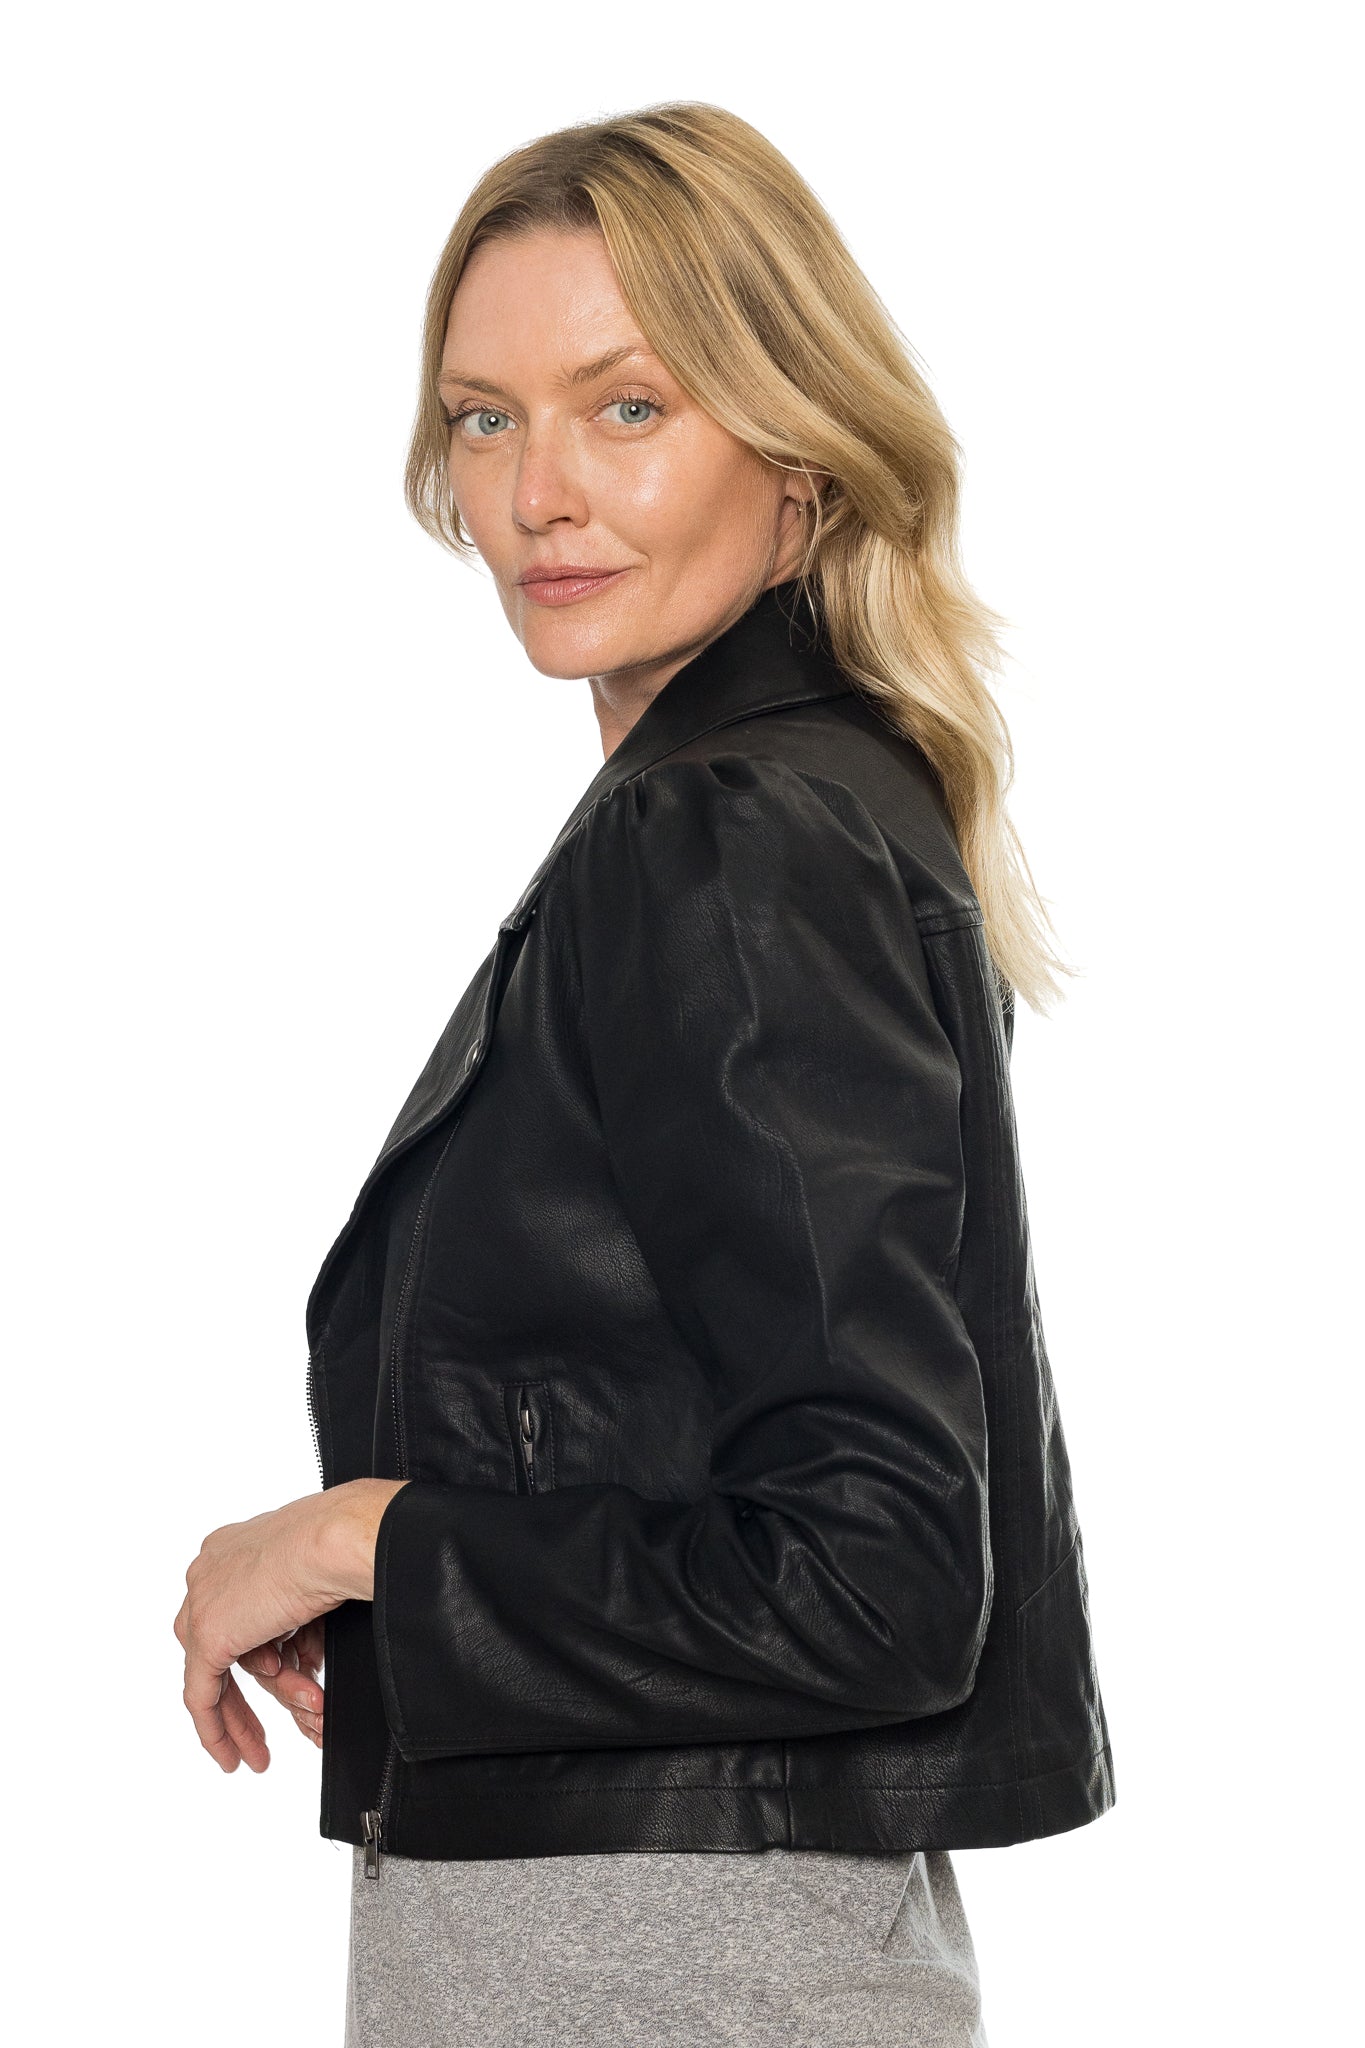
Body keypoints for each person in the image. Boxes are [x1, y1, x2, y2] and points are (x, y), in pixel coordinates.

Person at [175, 100, 1116, 2046]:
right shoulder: (770, 805)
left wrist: (360, 1538)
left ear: (793, 455)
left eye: (626, 408)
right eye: (483, 418)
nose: (538, 495)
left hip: (659, 1977)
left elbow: (872, 1572)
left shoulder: (729, 837)